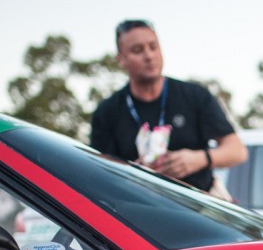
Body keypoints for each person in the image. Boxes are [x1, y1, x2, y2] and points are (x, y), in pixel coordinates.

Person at [90, 19, 247, 196]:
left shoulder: (194, 95)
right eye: (137, 50)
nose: (149, 56)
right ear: (121, 59)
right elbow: (100, 174)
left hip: (200, 200)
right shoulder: (107, 112)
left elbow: (237, 151)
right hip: (138, 204)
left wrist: (199, 159)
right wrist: (132, 172)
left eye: (153, 47)